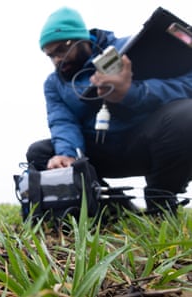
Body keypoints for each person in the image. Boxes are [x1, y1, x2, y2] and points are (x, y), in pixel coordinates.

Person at [27, 7, 192, 214]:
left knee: (187, 116)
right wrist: (67, 155)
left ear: (81, 39)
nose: (57, 60)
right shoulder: (54, 84)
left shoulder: (131, 50)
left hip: (148, 144)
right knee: (40, 153)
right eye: (50, 55)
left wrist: (132, 93)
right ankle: (113, 206)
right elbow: (62, 121)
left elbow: (188, 85)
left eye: (62, 49)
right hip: (99, 152)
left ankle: (160, 202)